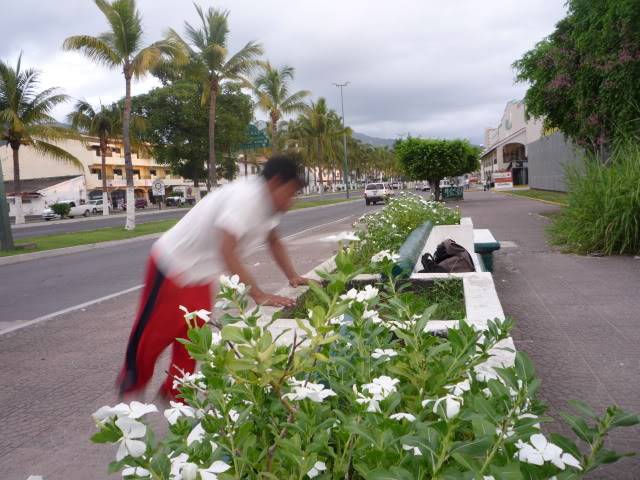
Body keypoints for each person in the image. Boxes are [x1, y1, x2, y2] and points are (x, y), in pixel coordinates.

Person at [118, 154, 309, 400]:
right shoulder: (246, 198)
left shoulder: (269, 206)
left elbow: (273, 240)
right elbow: (226, 249)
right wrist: (258, 295)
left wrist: (293, 276)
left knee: (194, 339)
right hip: (172, 265)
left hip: (200, 274)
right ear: (274, 182)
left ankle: (177, 395)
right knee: (154, 336)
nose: (291, 201)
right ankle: (132, 383)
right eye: (290, 192)